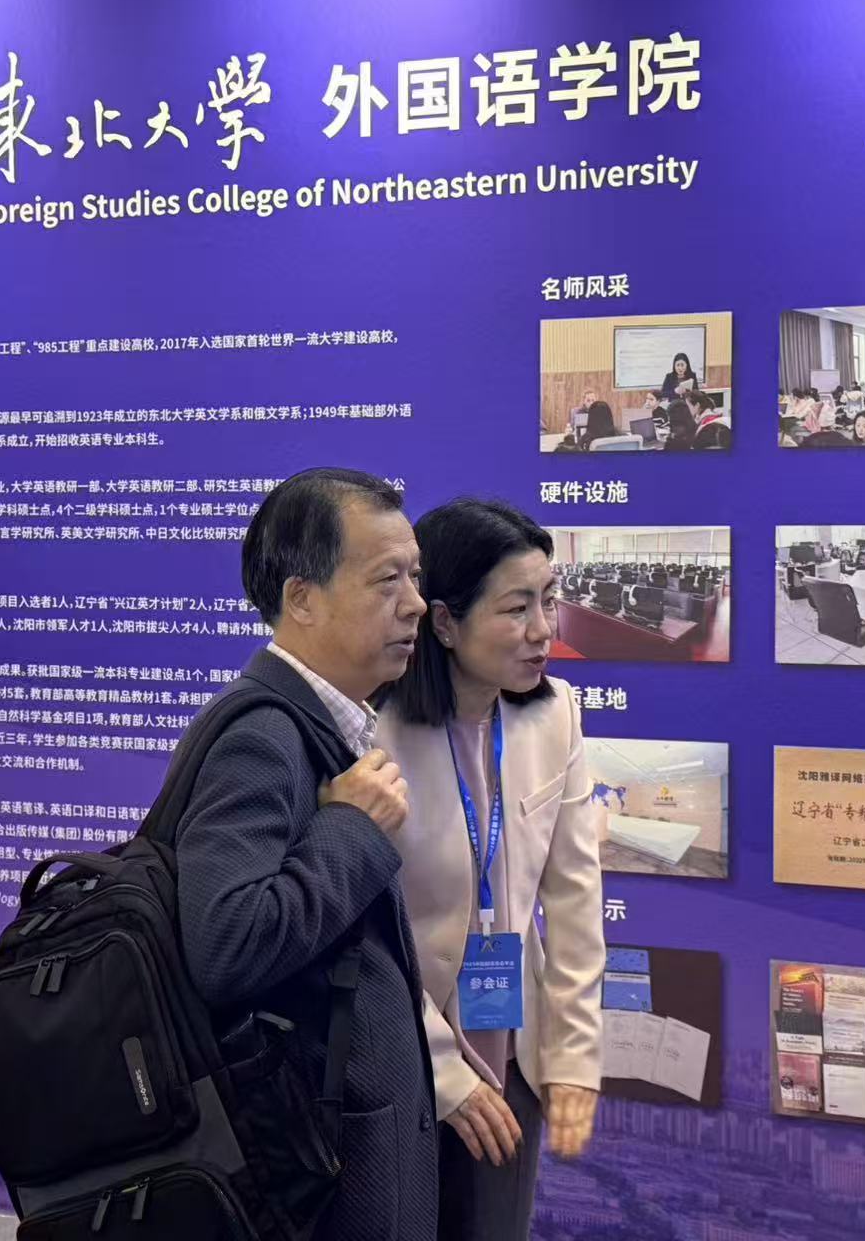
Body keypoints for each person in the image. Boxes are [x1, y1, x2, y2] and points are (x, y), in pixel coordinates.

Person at [176, 468, 438, 1241]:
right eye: (386, 580)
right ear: (302, 599)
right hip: (316, 1171)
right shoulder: (262, 736)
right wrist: (351, 828)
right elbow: (228, 943)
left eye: (415, 577)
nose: (416, 604)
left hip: (334, 1147)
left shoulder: (323, 723)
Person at [375, 499, 604, 1241]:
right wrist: (446, 1075)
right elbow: (364, 938)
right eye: (516, 608)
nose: (544, 629)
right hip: (403, 1062)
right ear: (444, 621)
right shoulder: (374, 735)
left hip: (514, 1056)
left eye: (549, 600)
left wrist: (572, 1058)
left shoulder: (553, 714)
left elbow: (574, 899)